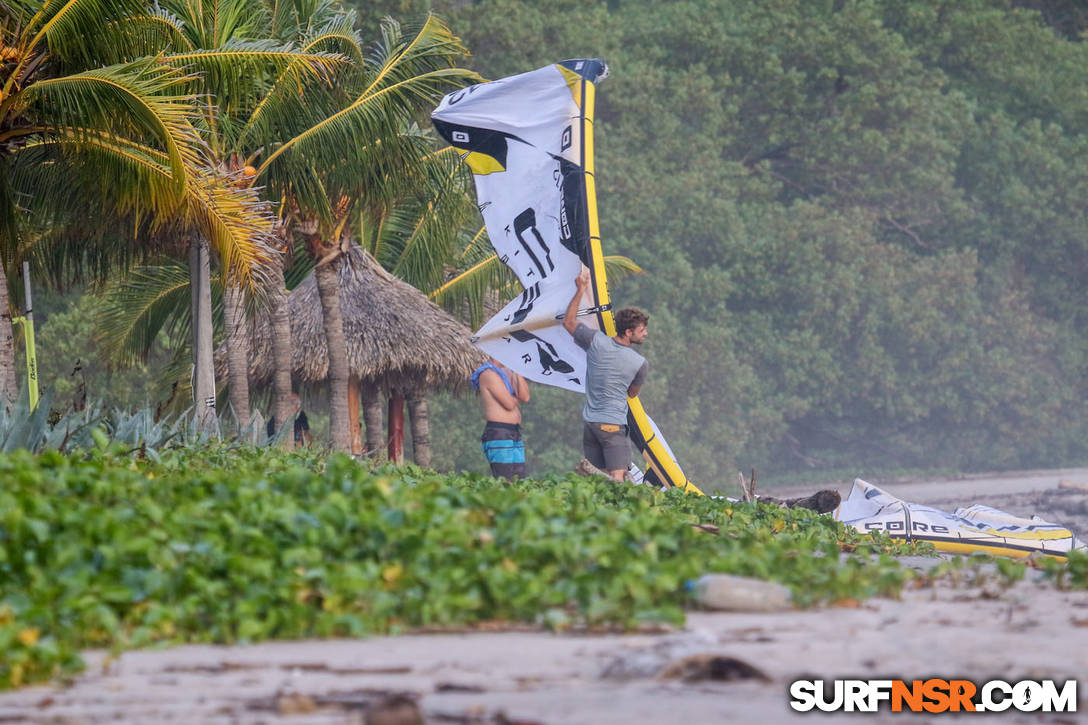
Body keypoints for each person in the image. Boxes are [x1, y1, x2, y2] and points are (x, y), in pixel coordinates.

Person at [563, 268, 649, 482]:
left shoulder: (596, 342)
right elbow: (632, 394)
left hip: (590, 423)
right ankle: (613, 516)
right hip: (612, 425)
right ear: (628, 333)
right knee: (617, 477)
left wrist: (581, 289)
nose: (645, 333)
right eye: (641, 330)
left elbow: (568, 322)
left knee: (596, 478)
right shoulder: (639, 363)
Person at [471, 356, 531, 480]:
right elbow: (509, 404)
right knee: (505, 479)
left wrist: (516, 371)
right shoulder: (488, 374)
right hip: (499, 432)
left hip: (514, 431)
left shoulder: (509, 371)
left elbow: (525, 397)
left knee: (520, 479)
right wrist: (516, 397)